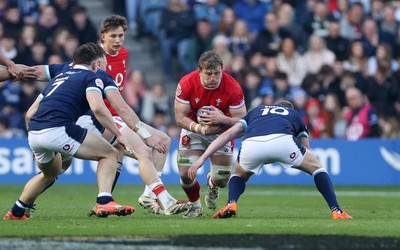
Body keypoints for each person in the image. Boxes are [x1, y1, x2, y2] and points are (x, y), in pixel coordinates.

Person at [3, 43, 134, 220]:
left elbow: (29, 114)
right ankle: (104, 200)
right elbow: (98, 108)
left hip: (35, 132)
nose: (104, 68)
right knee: (109, 153)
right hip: (58, 128)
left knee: (50, 173)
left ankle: (17, 212)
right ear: (95, 64)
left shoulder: (59, 77)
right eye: (103, 63)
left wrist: (34, 146)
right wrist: (118, 134)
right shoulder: (91, 76)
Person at [188, 100, 353, 220]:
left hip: (251, 144)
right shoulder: (294, 114)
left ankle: (231, 202)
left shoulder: (257, 111)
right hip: (283, 141)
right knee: (317, 168)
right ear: (289, 109)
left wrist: (202, 158)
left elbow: (228, 134)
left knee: (238, 174)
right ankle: (336, 210)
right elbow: (306, 148)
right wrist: (301, 162)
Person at [96, 15, 186, 214]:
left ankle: (148, 195)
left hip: (119, 116)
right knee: (143, 150)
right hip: (103, 118)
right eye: (113, 36)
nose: (118, 40)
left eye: (121, 35)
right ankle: (164, 199)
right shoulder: (95, 60)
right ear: (103, 37)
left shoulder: (124, 54)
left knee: (163, 141)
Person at [174, 50, 246, 218]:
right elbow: (179, 118)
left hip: (221, 132)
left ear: (222, 69)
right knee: (185, 174)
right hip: (194, 129)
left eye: (217, 73)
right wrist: (202, 129)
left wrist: (221, 119)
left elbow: (242, 121)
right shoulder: (186, 83)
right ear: (199, 71)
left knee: (222, 180)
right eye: (208, 74)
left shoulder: (233, 87)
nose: (213, 78)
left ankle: (212, 183)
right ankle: (195, 206)